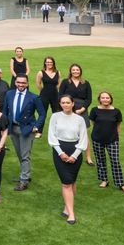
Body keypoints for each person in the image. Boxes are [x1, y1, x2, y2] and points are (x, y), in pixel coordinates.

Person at [47, 95, 88, 224]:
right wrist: (60, 153)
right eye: (63, 103)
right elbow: (52, 136)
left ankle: (67, 207)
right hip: (59, 150)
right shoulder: (55, 116)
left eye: (68, 102)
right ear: (60, 104)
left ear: (72, 103)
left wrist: (75, 155)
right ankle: (71, 214)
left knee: (72, 181)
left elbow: (83, 139)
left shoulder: (79, 119)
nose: (65, 105)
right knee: (66, 183)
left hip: (75, 151)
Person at [3, 75, 47, 191]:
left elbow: (42, 114)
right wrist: (3, 125)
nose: (21, 85)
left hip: (27, 130)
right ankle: (25, 174)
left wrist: (36, 127)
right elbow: (5, 111)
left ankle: (24, 180)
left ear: (27, 83)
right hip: (13, 128)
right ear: (15, 82)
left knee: (25, 156)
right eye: (19, 82)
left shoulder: (34, 97)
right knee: (19, 154)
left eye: (23, 83)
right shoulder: (9, 94)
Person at [89, 91, 124, 193]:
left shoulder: (116, 111)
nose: (105, 99)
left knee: (115, 161)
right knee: (100, 160)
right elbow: (94, 123)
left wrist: (117, 138)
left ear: (111, 99)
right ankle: (104, 180)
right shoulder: (94, 110)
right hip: (97, 139)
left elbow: (118, 126)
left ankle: (121, 184)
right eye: (103, 98)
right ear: (99, 99)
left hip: (112, 140)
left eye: (107, 98)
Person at [59, 63, 94, 165]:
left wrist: (82, 109)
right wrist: (67, 108)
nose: (75, 71)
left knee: (84, 133)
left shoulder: (85, 83)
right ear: (70, 71)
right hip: (68, 108)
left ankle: (88, 157)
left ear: (80, 71)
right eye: (73, 70)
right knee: (67, 131)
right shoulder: (65, 82)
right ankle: (66, 154)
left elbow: (89, 98)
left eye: (77, 70)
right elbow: (60, 96)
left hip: (82, 109)